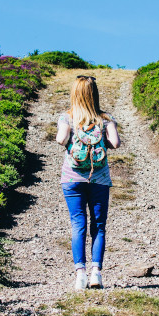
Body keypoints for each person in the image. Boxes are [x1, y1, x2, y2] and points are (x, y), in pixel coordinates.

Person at [56, 75, 121, 290]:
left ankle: (80, 274)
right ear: (94, 94)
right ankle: (96, 273)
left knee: (78, 224)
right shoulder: (106, 118)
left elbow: (60, 140)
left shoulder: (67, 118)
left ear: (75, 93)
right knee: (99, 226)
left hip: (72, 179)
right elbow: (115, 143)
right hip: (99, 179)